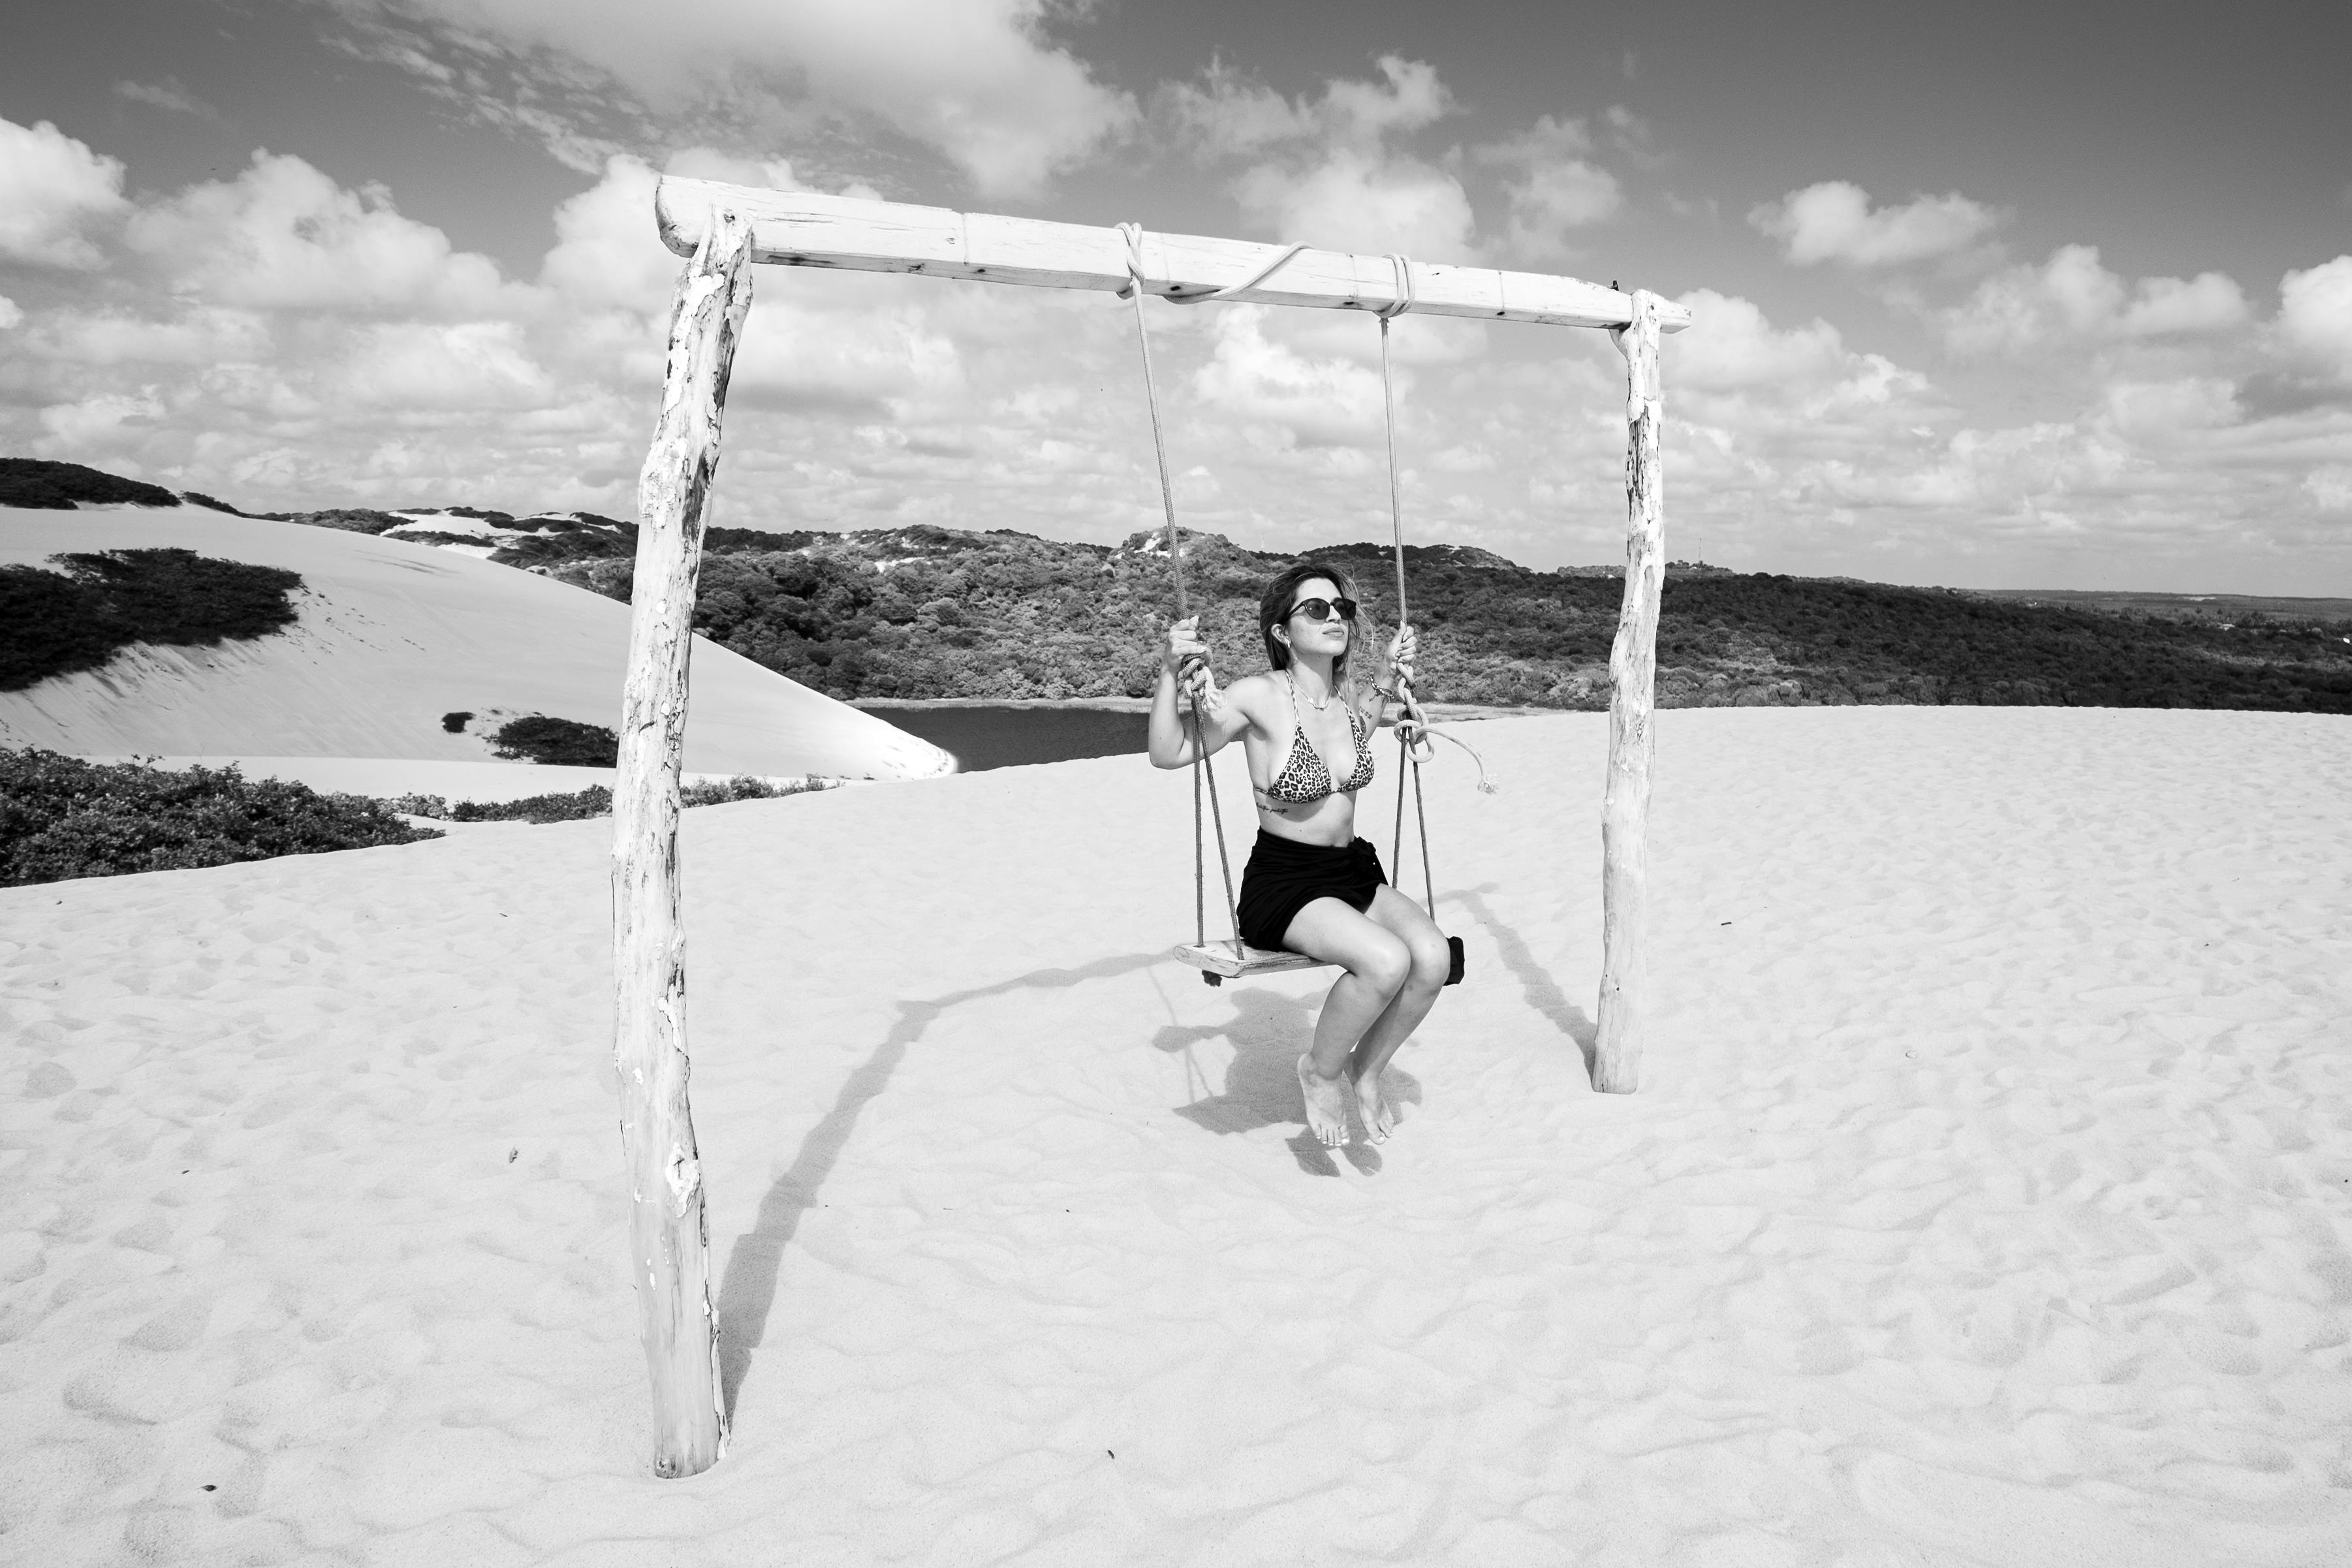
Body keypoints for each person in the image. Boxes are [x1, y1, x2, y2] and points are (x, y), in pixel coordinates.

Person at [1148, 561, 1451, 1148]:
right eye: (1316, 608)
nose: (1334, 616)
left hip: (1351, 871)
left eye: (1342, 608)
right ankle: (1320, 1070)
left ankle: (1366, 1071)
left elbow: (1371, 719)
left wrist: (1394, 680)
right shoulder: (1257, 696)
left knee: (1432, 958)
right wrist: (1169, 672)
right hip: (1286, 883)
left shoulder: (1347, 701)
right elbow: (1169, 753)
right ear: (1283, 631)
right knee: (1386, 962)